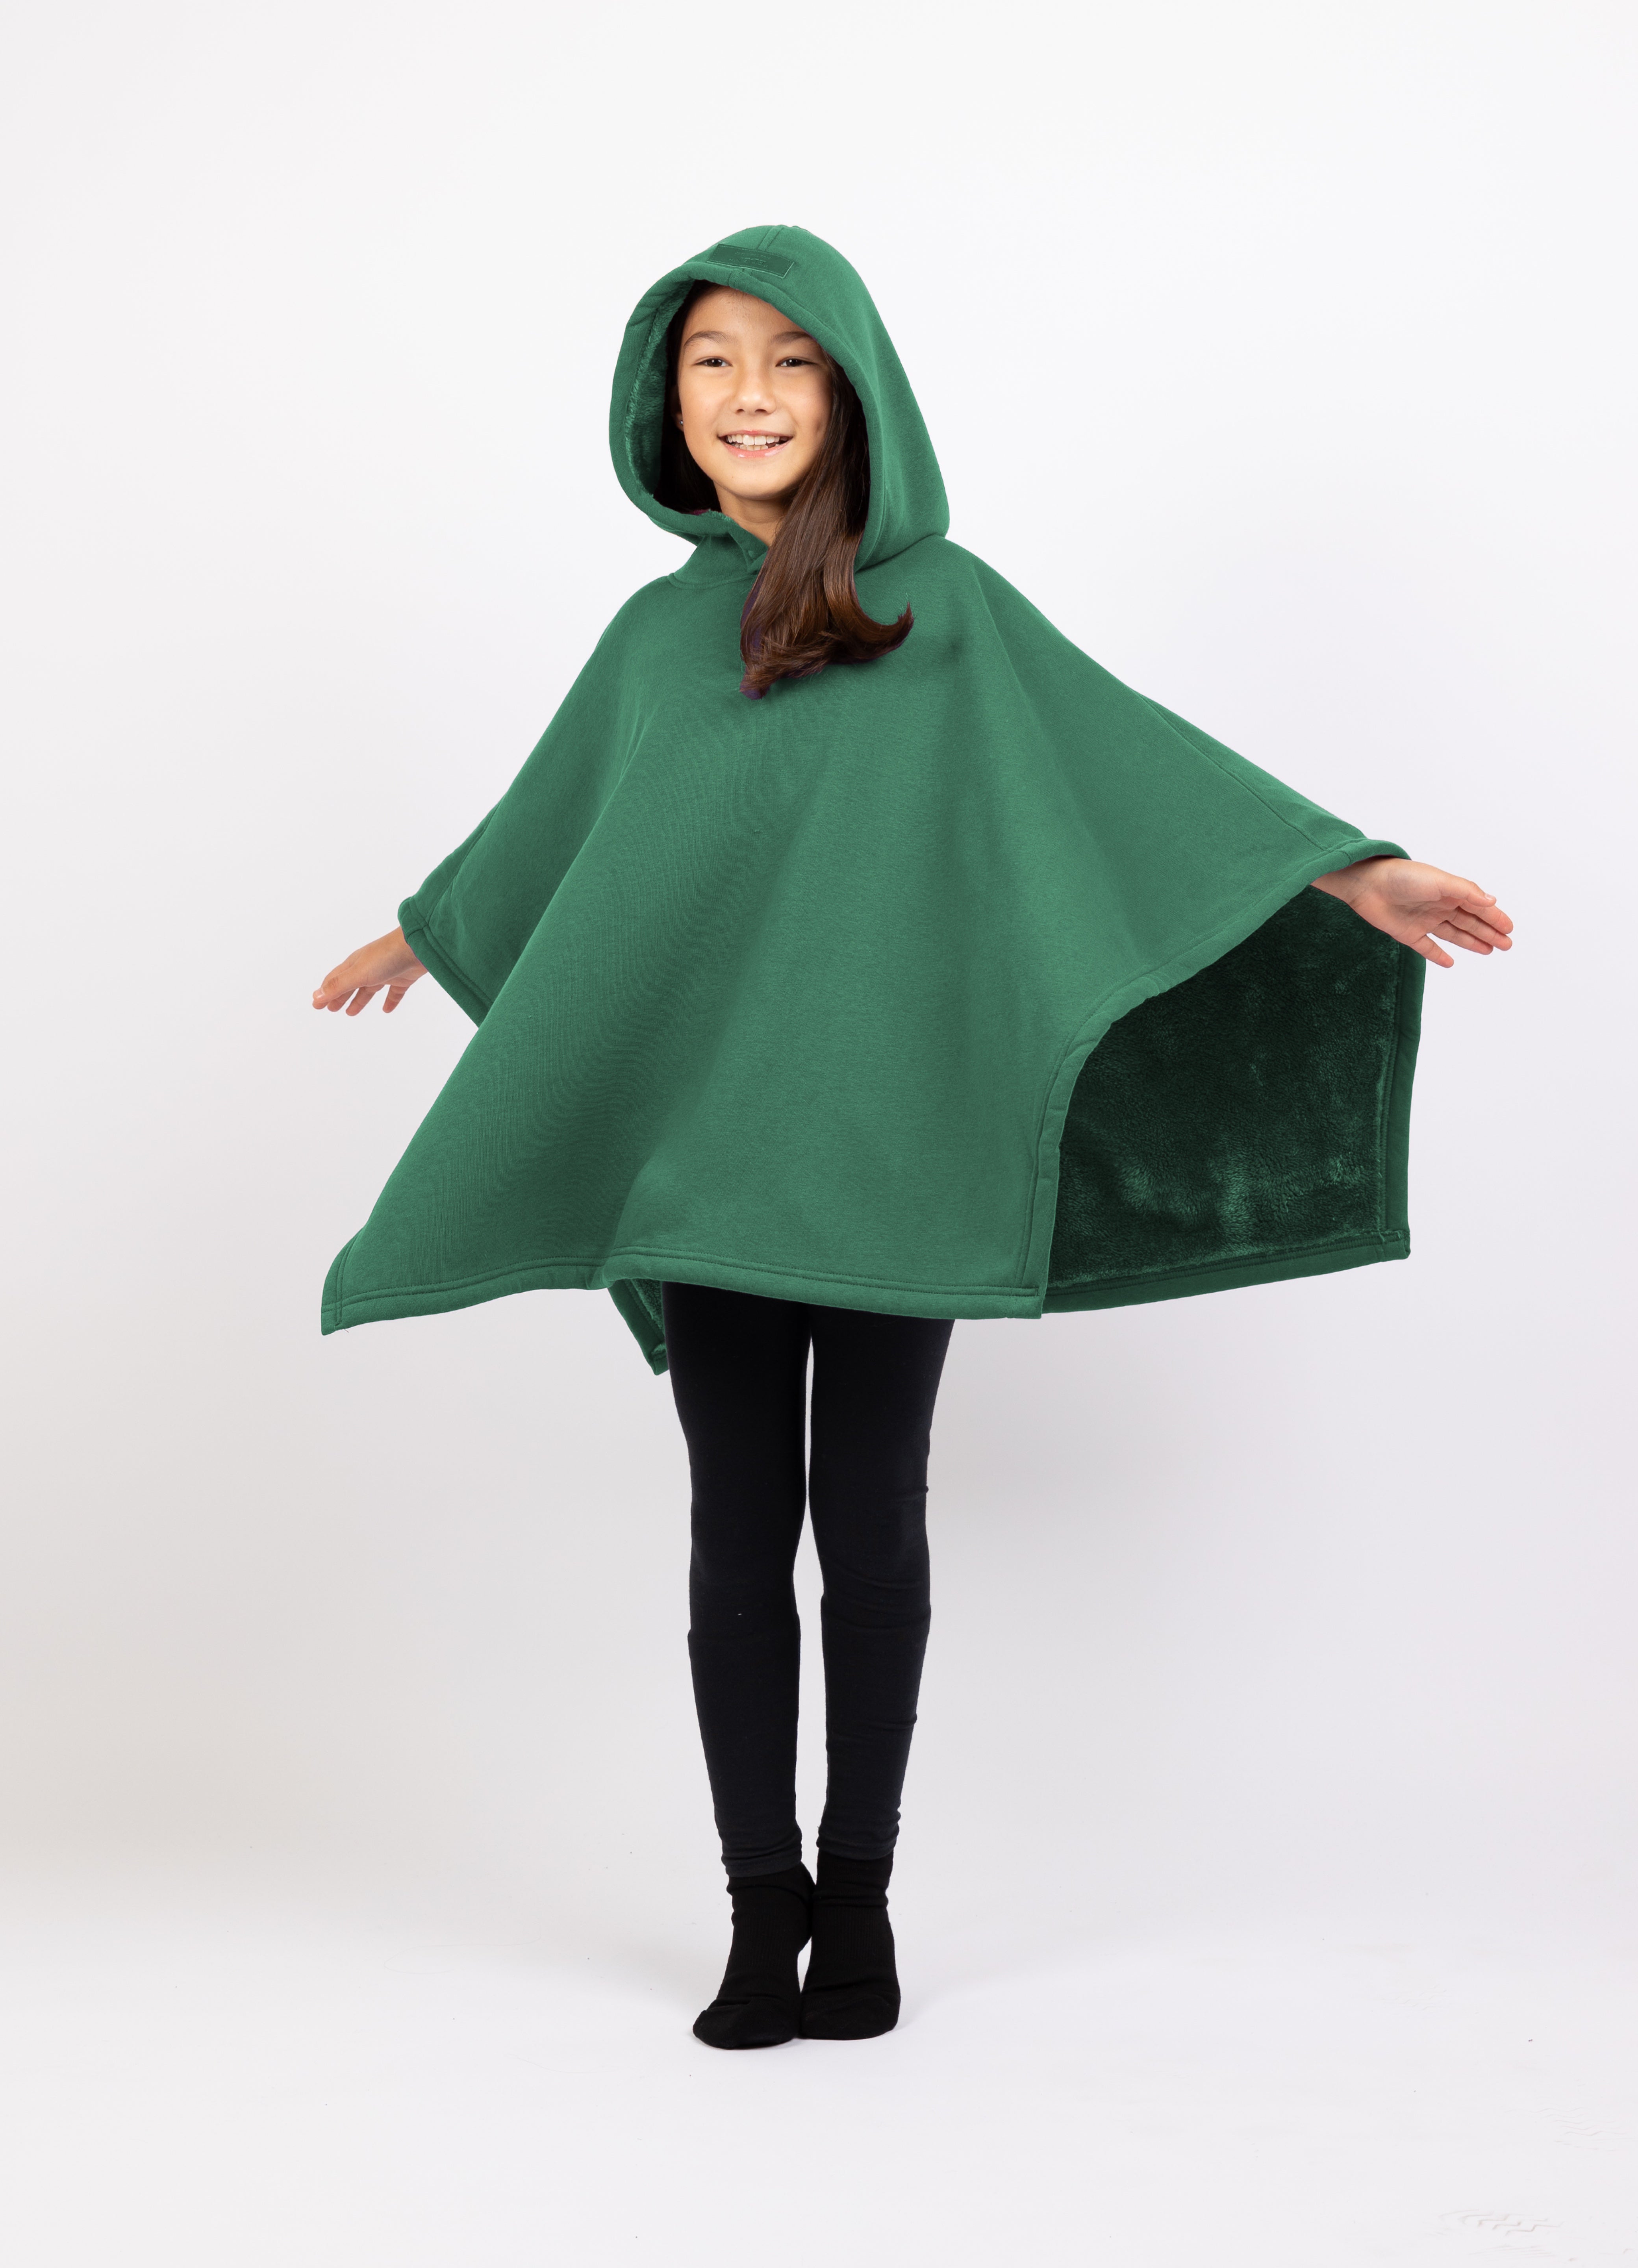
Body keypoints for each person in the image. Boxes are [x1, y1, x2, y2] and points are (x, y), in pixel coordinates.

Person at [313, 227, 1512, 2051]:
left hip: (900, 1146)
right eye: (714, 362)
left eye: (791, 361)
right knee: (737, 1533)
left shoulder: (953, 613)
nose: (751, 395)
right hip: (712, 1164)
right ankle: (759, 1911)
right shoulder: (653, 640)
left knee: (869, 1526)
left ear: (855, 392)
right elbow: (562, 832)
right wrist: (431, 927)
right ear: (665, 402)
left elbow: (1130, 771)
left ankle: (858, 1904)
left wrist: (1354, 870)